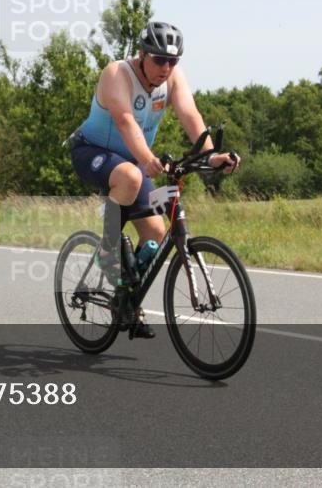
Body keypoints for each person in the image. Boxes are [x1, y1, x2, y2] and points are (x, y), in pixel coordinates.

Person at [68, 21, 240, 338]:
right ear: (142, 54)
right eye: (159, 59)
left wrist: (212, 156)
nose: (166, 67)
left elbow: (191, 116)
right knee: (131, 176)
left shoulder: (172, 78)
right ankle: (108, 250)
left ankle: (127, 301)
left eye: (173, 61)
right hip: (91, 151)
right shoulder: (117, 74)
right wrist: (148, 160)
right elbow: (124, 120)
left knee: (156, 235)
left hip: (132, 161)